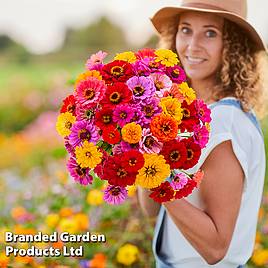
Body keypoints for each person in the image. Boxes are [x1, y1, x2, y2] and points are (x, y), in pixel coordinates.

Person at [137, 0, 268, 267]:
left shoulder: (223, 123)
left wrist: (160, 178)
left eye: (210, 33)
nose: (192, 45)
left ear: (232, 46)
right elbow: (151, 211)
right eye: (186, 29)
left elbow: (215, 247)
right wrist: (140, 150)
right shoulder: (195, 116)